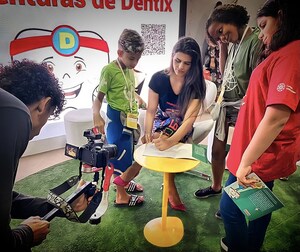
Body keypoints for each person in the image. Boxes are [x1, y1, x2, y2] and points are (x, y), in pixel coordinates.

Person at [219, 0, 300, 251]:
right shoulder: (282, 53)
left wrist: (245, 161)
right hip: (257, 148)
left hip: (256, 154)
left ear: (282, 17)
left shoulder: (292, 54)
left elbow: (277, 116)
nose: (262, 35)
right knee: (259, 204)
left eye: (264, 26)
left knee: (229, 209)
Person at [0, 59, 92, 251]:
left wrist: (64, 206)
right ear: (44, 105)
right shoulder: (15, 114)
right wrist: (25, 235)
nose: (39, 131)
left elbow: (8, 200)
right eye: (49, 115)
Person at [114, 36, 207, 211]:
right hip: (161, 121)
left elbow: (188, 121)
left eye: (186, 64)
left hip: (181, 128)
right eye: (177, 60)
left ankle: (125, 178)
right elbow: (151, 110)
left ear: (193, 65)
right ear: (172, 56)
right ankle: (171, 192)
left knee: (164, 136)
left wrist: (169, 141)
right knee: (157, 138)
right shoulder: (158, 78)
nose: (180, 67)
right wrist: (147, 132)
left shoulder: (196, 85)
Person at [194, 4, 262, 208]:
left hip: (246, 106)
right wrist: (223, 46)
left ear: (232, 19)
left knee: (241, 156)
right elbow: (225, 74)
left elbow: (257, 80)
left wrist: (249, 110)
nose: (222, 37)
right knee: (216, 150)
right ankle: (216, 187)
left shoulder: (254, 41)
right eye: (218, 36)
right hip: (226, 103)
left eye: (221, 31)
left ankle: (232, 202)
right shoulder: (232, 42)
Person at [92, 28, 146, 207]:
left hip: (130, 120)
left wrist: (139, 99)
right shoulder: (109, 70)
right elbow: (98, 99)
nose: (134, 62)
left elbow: (129, 91)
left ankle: (125, 181)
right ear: (119, 53)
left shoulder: (129, 69)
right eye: (131, 58)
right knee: (118, 155)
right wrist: (96, 115)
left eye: (138, 58)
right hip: (117, 121)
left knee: (128, 153)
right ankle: (121, 195)